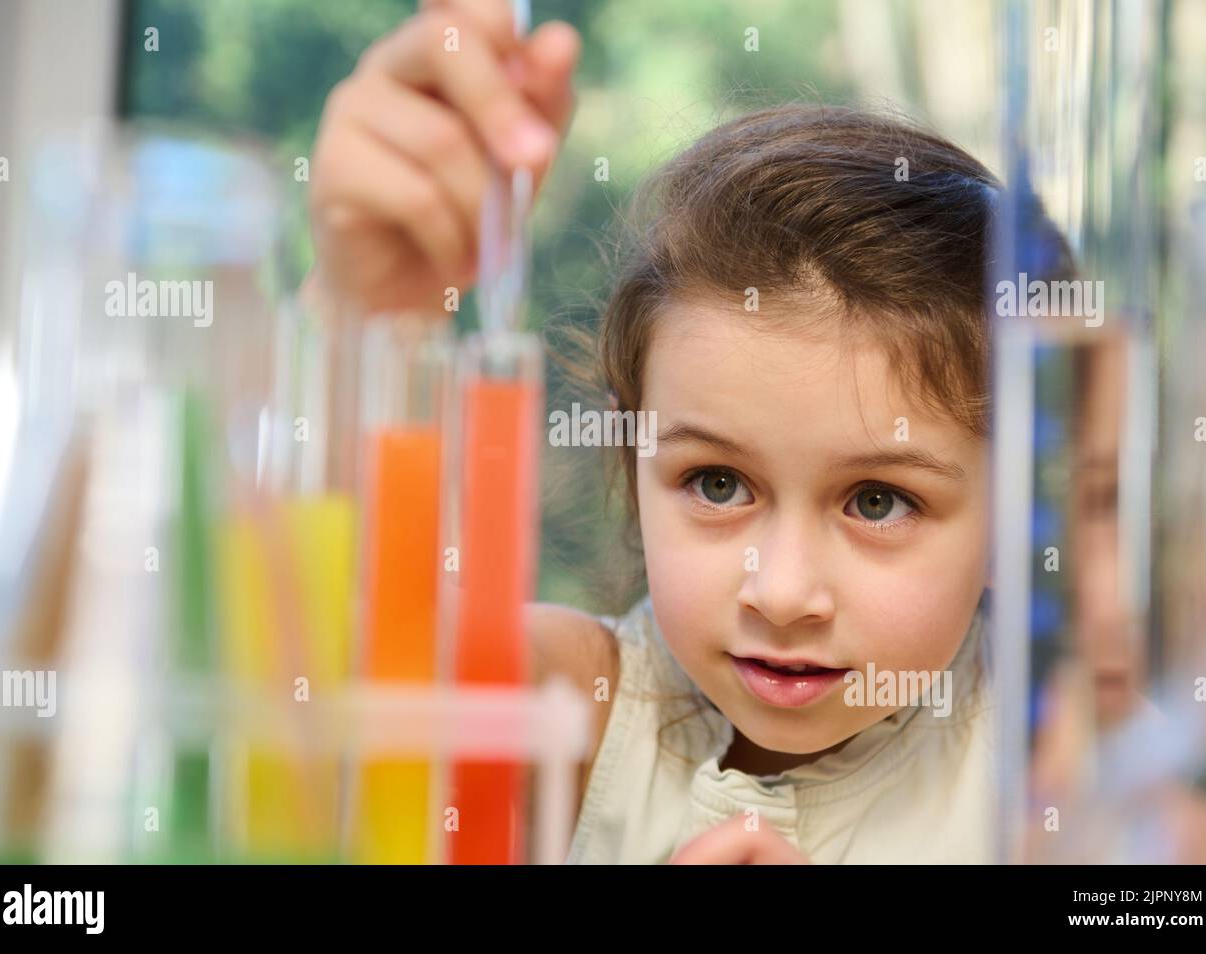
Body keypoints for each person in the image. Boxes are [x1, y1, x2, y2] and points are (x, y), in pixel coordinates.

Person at [306, 0, 1004, 863]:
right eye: (717, 484)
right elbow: (313, 649)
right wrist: (367, 312)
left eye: (877, 500)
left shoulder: (1052, 760)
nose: (780, 594)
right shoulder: (583, 705)